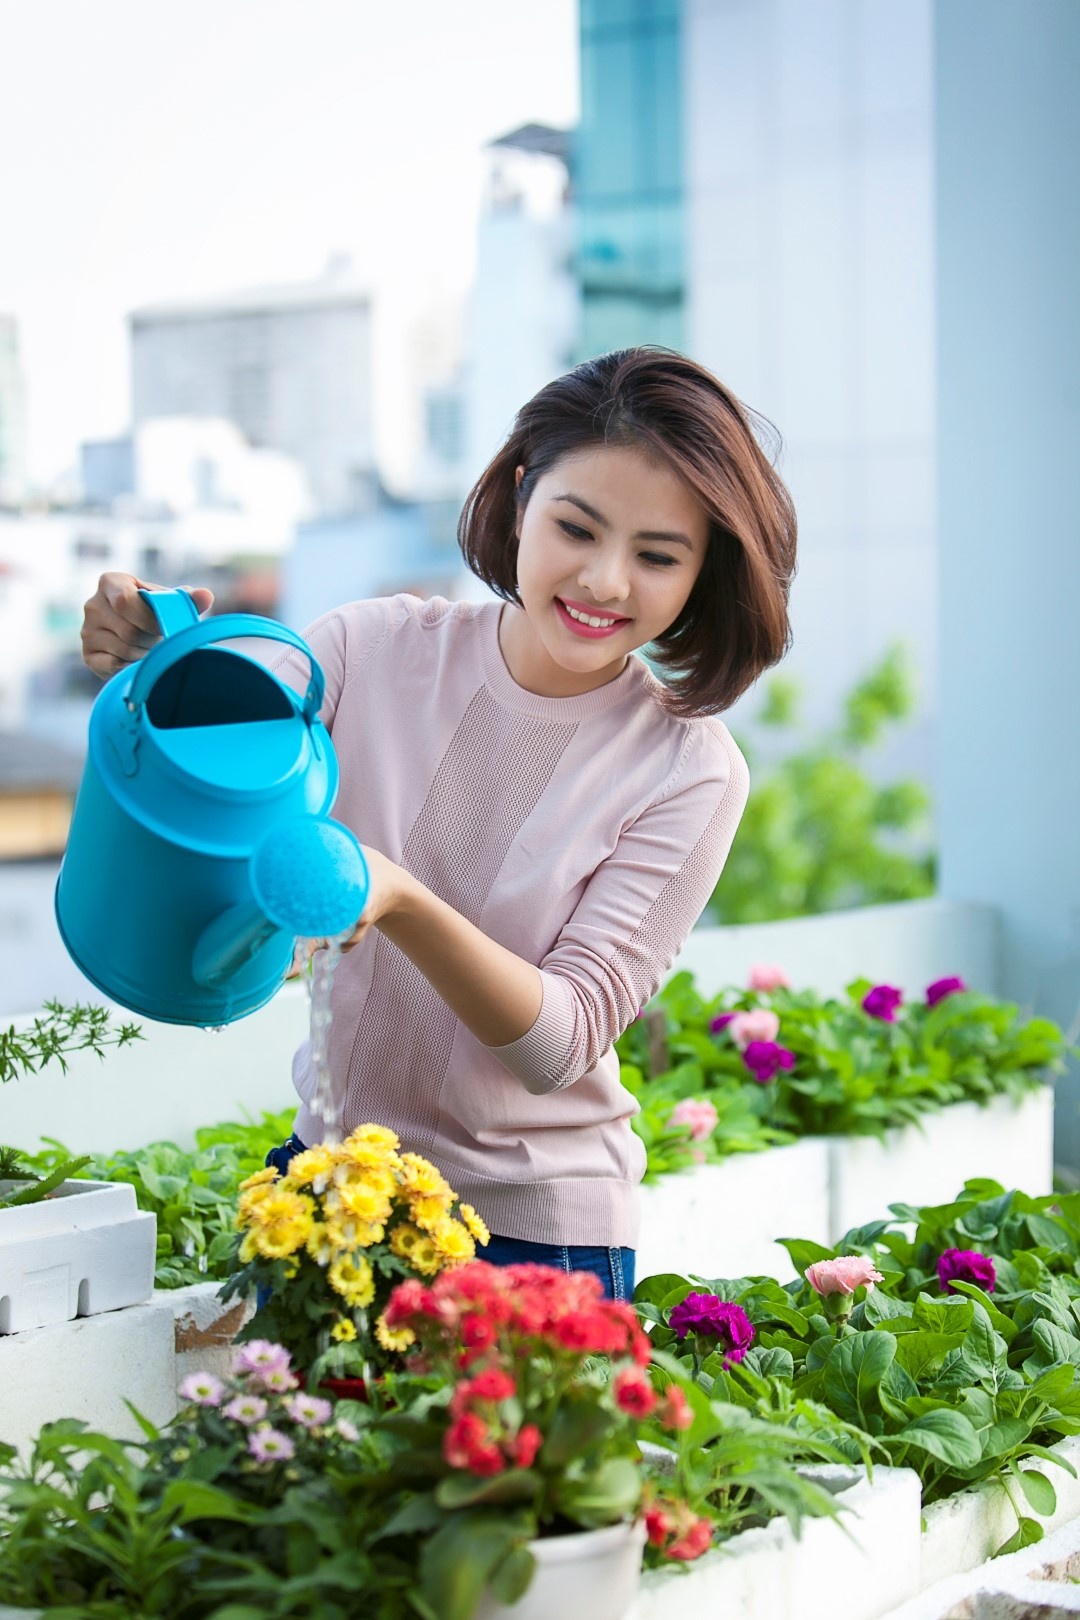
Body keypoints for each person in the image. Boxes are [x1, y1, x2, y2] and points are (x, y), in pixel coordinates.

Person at [80, 346, 796, 1300]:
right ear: (518, 494)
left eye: (658, 556)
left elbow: (560, 1040)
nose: (605, 581)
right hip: (335, 1180)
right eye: (575, 528)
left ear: (704, 575)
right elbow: (234, 721)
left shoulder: (690, 771)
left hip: (532, 1238)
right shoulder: (372, 645)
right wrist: (155, 657)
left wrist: (398, 896)